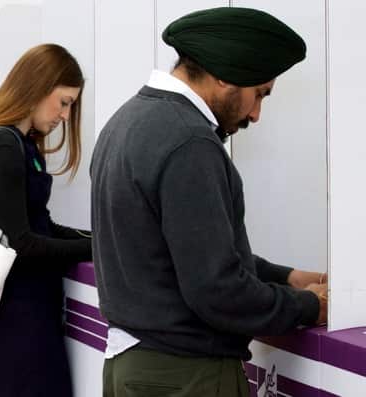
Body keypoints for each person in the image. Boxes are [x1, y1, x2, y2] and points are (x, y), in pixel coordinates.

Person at [90, 8, 329, 397]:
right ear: (224, 74)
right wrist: (308, 306)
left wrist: (285, 277)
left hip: (133, 369)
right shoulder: (190, 142)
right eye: (259, 94)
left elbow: (174, 254)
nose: (256, 113)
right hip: (186, 375)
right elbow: (217, 292)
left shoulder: (126, 122)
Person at [0, 43, 92, 397]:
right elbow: (20, 243)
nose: (64, 115)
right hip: (16, 316)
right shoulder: (2, 147)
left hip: (25, 311)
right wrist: (96, 246)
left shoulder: (19, 145)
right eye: (64, 102)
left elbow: (38, 224)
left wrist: (95, 238)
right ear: (37, 87)